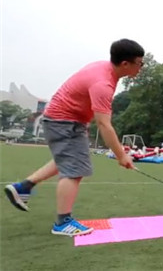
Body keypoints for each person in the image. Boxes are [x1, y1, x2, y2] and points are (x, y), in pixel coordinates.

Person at [4, 39, 144, 236]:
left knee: (67, 160)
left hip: (65, 120)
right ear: (125, 64)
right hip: (64, 122)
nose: (141, 68)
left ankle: (23, 187)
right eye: (140, 63)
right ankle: (62, 223)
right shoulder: (102, 84)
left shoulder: (104, 69)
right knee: (75, 170)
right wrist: (121, 156)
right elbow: (104, 124)